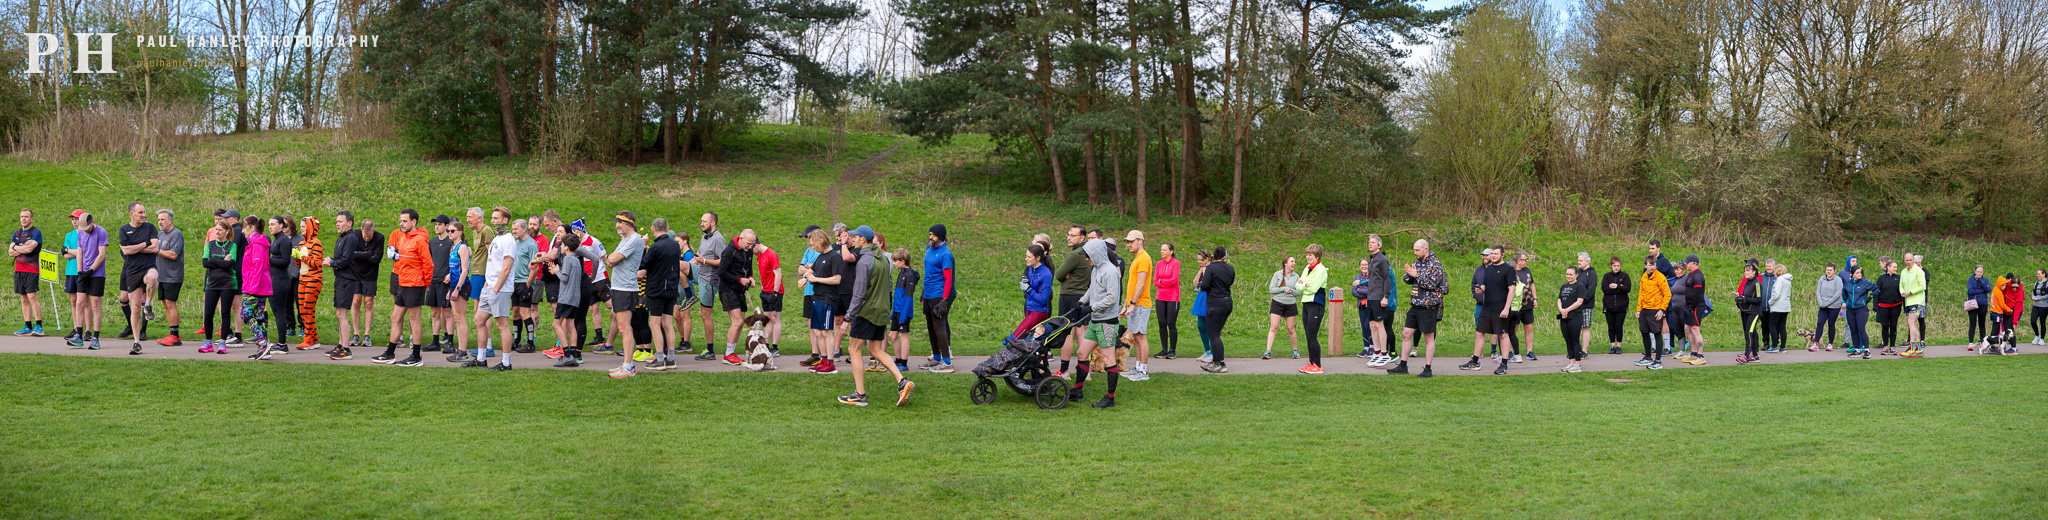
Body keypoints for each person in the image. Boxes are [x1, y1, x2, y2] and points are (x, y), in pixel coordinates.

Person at [838, 225, 915, 407]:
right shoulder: (883, 260)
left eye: (855, 237)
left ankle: (860, 395)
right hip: (881, 312)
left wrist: (847, 319)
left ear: (863, 240)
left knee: (854, 350)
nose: (852, 240)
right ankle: (902, 382)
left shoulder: (865, 262)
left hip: (866, 313)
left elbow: (858, 294)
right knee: (876, 351)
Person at [1070, 237, 1123, 407]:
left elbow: (1112, 298)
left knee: (1108, 359)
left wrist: (1091, 308)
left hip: (1107, 322)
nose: (1087, 258)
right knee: (1081, 354)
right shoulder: (1095, 270)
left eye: (1088, 255)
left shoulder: (1110, 271)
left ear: (1097, 254)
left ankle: (1110, 398)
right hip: (1095, 320)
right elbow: (1092, 290)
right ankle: (1077, 391)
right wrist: (1082, 302)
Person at [374, 209, 431, 365]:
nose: (401, 223)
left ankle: (416, 356)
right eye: (400, 220)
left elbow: (428, 264)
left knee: (414, 320)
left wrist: (426, 283)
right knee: (395, 317)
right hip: (403, 282)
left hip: (415, 284)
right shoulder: (404, 238)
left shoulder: (420, 240)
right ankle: (390, 353)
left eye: (404, 221)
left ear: (414, 222)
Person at [1388, 240, 1447, 377]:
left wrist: (1416, 275)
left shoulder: (1435, 264)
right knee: (1406, 334)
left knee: (1428, 337)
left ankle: (1428, 369)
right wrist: (1409, 274)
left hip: (1428, 306)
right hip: (1415, 304)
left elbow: (1431, 283)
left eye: (1417, 250)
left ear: (1425, 249)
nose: (1415, 253)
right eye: (1414, 250)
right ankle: (1403, 365)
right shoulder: (1418, 261)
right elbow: (1408, 280)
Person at [116, 202, 160, 354]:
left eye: (144, 212)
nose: (143, 215)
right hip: (132, 271)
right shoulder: (124, 230)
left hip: (148, 267)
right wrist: (144, 244)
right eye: (140, 212)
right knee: (134, 309)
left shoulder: (150, 227)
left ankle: (148, 303)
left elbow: (155, 247)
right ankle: (136, 342)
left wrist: (136, 247)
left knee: (154, 277)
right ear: (131, 214)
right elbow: (126, 251)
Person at [641, 218, 683, 370]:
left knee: (655, 323)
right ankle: (670, 358)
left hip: (656, 289)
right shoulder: (675, 245)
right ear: (667, 228)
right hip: (671, 288)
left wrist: (644, 246)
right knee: (668, 324)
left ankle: (659, 359)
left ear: (652, 230)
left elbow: (643, 263)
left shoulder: (655, 246)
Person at [1052, 225, 1092, 376]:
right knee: (1081, 332)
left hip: (1070, 296)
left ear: (1081, 238)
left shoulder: (1075, 254)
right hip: (1083, 296)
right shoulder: (1089, 253)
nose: (1068, 238)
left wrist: (1065, 275)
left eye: (1073, 235)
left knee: (1067, 333)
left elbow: (1058, 275)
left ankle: (1064, 371)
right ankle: (1085, 371)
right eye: (1068, 235)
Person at [918, 224, 957, 372]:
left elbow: (948, 279)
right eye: (930, 234)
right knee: (930, 326)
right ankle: (936, 358)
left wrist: (944, 300)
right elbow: (929, 271)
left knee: (939, 327)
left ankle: (947, 363)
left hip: (940, 294)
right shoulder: (929, 248)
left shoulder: (945, 254)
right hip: (928, 293)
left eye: (933, 235)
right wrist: (924, 289)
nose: (930, 237)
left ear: (940, 236)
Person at [687, 212, 727, 359]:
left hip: (709, 280)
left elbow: (723, 262)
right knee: (679, 266)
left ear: (713, 223)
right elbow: (698, 255)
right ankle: (689, 295)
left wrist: (704, 261)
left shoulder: (718, 239)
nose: (701, 224)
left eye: (704, 221)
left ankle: (710, 351)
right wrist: (690, 263)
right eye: (701, 221)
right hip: (700, 273)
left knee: (705, 315)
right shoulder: (705, 237)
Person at [716, 229, 759, 364]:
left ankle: (731, 352)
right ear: (741, 238)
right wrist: (740, 280)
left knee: (741, 323)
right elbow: (721, 271)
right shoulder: (729, 251)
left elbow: (749, 268)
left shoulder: (749, 251)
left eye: (752, 244)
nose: (750, 247)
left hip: (740, 290)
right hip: (728, 290)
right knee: (738, 321)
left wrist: (751, 278)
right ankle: (728, 354)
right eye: (748, 243)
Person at [69, 211, 109, 350]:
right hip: (83, 273)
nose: (85, 231)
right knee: (80, 303)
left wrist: (90, 271)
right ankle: (79, 336)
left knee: (95, 305)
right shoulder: (80, 232)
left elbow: (102, 255)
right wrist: (80, 272)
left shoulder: (101, 232)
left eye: (87, 228)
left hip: (96, 274)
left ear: (92, 222)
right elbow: (79, 252)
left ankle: (95, 338)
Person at [197, 223, 239, 355]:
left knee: (225, 313)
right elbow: (205, 263)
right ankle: (208, 342)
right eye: (216, 230)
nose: (217, 232)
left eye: (220, 230)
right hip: (212, 283)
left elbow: (230, 264)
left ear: (227, 231)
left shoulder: (232, 246)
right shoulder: (210, 245)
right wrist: (221, 261)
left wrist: (214, 260)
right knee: (208, 313)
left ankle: (222, 342)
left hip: (228, 284)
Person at [236, 216, 274, 358]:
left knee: (245, 314)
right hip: (260, 286)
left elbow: (258, 266)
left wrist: (252, 287)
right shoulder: (256, 242)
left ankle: (263, 343)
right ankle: (265, 349)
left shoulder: (257, 243)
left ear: (251, 228)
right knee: (259, 316)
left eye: (244, 228)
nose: (242, 232)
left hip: (255, 287)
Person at [1119, 230, 1155, 379]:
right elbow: (1132, 285)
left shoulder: (1144, 258)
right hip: (1134, 304)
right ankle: (1138, 367)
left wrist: (1133, 303)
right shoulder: (1137, 258)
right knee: (1136, 336)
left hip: (1141, 304)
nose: (1129, 244)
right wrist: (1126, 305)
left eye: (1131, 241)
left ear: (1140, 241)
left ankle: (1143, 372)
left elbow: (1140, 284)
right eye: (1127, 242)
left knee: (1141, 337)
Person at [1197, 247, 1236, 373]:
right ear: (1224, 256)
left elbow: (1205, 286)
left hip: (1215, 304)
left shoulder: (1211, 268)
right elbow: (1230, 282)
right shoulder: (1230, 268)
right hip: (1227, 302)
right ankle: (1215, 361)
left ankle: (1220, 363)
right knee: (1215, 335)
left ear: (1214, 256)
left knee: (1213, 335)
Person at [1294, 244, 1330, 374]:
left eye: (1311, 255)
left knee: (1312, 336)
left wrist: (1303, 285)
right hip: (1306, 304)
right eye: (1307, 254)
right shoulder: (1307, 268)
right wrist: (1304, 285)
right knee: (1308, 336)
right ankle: (1311, 362)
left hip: (1316, 304)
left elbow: (1313, 288)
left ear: (1317, 256)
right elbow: (1297, 286)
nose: (1307, 256)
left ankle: (1318, 366)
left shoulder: (1321, 270)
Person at [424, 215, 455, 353]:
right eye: (435, 224)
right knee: (435, 313)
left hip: (445, 282)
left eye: (440, 224)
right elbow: (429, 262)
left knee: (447, 313)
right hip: (433, 281)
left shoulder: (451, 242)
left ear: (447, 226)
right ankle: (435, 342)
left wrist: (450, 275)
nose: (437, 227)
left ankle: (450, 342)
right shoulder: (432, 242)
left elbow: (458, 262)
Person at [11, 209, 44, 337]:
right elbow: (10, 252)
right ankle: (27, 326)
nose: (23, 219)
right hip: (19, 270)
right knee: (23, 298)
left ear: (32, 219)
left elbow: (31, 248)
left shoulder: (36, 232)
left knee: (32, 297)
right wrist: (23, 249)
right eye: (22, 217)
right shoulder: (17, 233)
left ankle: (39, 326)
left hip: (32, 270)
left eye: (26, 217)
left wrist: (17, 248)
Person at [293, 216, 324, 350]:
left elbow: (317, 263)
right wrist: (296, 258)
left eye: (304, 226)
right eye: (301, 226)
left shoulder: (316, 243)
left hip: (314, 279)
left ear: (310, 227)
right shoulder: (301, 244)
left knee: (308, 309)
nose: (301, 228)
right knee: (302, 310)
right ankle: (314, 339)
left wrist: (302, 257)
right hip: (303, 279)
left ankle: (308, 340)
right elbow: (301, 265)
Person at [1634, 255, 1669, 369]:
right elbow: (1641, 293)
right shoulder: (1644, 276)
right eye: (1650, 265)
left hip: (1655, 309)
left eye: (1654, 265)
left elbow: (1667, 294)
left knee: (1657, 333)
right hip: (1644, 309)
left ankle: (1658, 361)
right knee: (1644, 333)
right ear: (1645, 265)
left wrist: (1661, 310)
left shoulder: (1660, 277)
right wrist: (1639, 309)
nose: (1652, 267)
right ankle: (1648, 357)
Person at [1362, 235, 1393, 365]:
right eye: (1369, 242)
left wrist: (1385, 296)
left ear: (1379, 245)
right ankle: (1377, 352)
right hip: (1371, 297)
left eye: (1373, 242)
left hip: (1380, 297)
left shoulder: (1382, 260)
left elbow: (1387, 279)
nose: (1370, 244)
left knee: (1379, 324)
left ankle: (1385, 354)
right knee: (1372, 325)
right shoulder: (1371, 259)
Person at [888, 248, 920, 372]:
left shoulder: (910, 275)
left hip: (904, 312)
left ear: (903, 261)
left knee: (904, 336)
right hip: (897, 311)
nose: (893, 264)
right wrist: (893, 314)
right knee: (892, 335)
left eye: (895, 261)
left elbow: (908, 298)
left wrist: (903, 316)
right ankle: (898, 360)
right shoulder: (901, 273)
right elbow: (897, 296)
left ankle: (904, 364)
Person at [1263, 256, 1300, 360]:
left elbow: (1300, 292)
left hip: (1291, 304)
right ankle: (1267, 352)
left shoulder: (1296, 276)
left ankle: (1295, 351)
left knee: (1290, 329)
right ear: (1285, 263)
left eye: (1294, 262)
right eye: (1292, 261)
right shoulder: (1277, 274)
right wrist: (1284, 289)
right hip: (1277, 303)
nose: (1294, 263)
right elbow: (1271, 289)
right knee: (1273, 327)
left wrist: (1292, 291)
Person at [754, 237, 784, 357]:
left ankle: (775, 348)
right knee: (767, 318)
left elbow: (778, 274)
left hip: (775, 291)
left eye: (751, 248)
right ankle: (766, 345)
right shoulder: (759, 255)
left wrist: (775, 292)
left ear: (756, 245)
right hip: (765, 291)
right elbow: (764, 273)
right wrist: (763, 288)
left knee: (775, 318)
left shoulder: (771, 254)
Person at [1151, 242, 1181, 360]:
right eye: (1161, 249)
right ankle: (1164, 350)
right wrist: (1163, 281)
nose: (1162, 251)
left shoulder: (1176, 263)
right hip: (1160, 297)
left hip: (1172, 298)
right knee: (1162, 323)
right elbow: (1155, 281)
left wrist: (1162, 281)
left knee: (1171, 323)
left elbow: (1174, 280)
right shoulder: (1159, 263)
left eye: (1164, 250)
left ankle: (1172, 351)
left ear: (1171, 251)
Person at [1676, 255, 1708, 364]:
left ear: (1694, 263)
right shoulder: (1691, 274)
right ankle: (1693, 353)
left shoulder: (1698, 276)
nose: (1686, 264)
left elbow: (1698, 294)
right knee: (1687, 328)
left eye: (1688, 262)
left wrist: (1692, 307)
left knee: (1695, 330)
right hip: (1688, 306)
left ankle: (1700, 355)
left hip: (1696, 307)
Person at [1558, 266, 1588, 372]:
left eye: (1571, 274)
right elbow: (1559, 299)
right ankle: (1571, 363)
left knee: (1575, 340)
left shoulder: (1580, 286)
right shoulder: (1564, 286)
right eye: (1567, 274)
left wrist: (1567, 310)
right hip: (1564, 317)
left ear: (1576, 275)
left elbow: (1579, 301)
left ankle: (1577, 365)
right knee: (1568, 340)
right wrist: (1561, 310)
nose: (1568, 276)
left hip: (1575, 317)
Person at [1734, 260, 1765, 364]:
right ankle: (1755, 356)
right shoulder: (1747, 282)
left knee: (1749, 332)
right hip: (1747, 311)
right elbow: (1745, 297)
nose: (1745, 273)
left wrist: (1745, 299)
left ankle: (1747, 356)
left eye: (1748, 271)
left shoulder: (1757, 283)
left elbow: (1759, 299)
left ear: (1754, 272)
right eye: (1745, 271)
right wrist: (1739, 300)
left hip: (1755, 312)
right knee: (1749, 332)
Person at [1843, 266, 1876, 358]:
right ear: (1852, 275)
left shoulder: (1865, 283)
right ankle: (1857, 350)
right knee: (1853, 330)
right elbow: (1844, 292)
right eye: (1857, 273)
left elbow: (1876, 288)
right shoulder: (1848, 283)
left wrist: (1870, 297)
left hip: (1861, 309)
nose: (1859, 274)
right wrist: (1847, 301)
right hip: (1850, 309)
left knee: (1861, 329)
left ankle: (1867, 351)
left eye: (1860, 272)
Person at [1600, 256, 1631, 355]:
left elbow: (1627, 288)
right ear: (1611, 266)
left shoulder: (1625, 276)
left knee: (1619, 326)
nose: (1616, 268)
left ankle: (1619, 346)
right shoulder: (1606, 276)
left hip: (1621, 307)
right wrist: (1619, 289)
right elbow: (1605, 289)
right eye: (1614, 266)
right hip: (1609, 307)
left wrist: (1617, 286)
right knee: (1611, 326)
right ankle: (1612, 345)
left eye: (1618, 266)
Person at [1874, 257, 1904, 355]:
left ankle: (1893, 346)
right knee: (1885, 326)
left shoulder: (1899, 278)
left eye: (1896, 267)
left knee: (1894, 326)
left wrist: (1904, 305)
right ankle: (1885, 346)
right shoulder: (1882, 278)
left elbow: (1902, 291)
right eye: (1894, 267)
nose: (1895, 269)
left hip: (1896, 305)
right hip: (1883, 306)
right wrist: (1875, 305)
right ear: (1888, 267)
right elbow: (1876, 291)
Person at [1900, 254, 1928, 356]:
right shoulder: (1903, 271)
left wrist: (1911, 292)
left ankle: (1911, 347)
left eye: (1910, 260)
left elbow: (1923, 286)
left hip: (1917, 300)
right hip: (1908, 301)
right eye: (1906, 260)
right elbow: (1901, 285)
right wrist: (1902, 292)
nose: (1908, 262)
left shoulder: (1919, 271)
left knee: (1911, 322)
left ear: (1913, 260)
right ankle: (1918, 348)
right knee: (1911, 323)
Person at [1812, 263, 1843, 351]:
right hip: (1823, 306)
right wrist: (1821, 303)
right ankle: (1815, 344)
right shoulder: (1822, 278)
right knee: (1820, 323)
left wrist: (1827, 303)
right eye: (1827, 270)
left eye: (1830, 270)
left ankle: (1830, 344)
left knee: (1831, 324)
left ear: (1834, 271)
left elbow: (1837, 294)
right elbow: (1818, 291)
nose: (1828, 272)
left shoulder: (1838, 280)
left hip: (1834, 306)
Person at [1513, 251, 1537, 361]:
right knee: (1513, 328)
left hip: (1528, 305)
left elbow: (1532, 284)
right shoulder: (1511, 271)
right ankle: (1510, 351)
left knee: (1529, 328)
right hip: (1516, 306)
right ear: (1518, 261)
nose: (1526, 261)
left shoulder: (1527, 270)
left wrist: (1535, 298)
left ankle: (1529, 351)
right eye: (1524, 259)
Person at [1191, 251, 1212, 363]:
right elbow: (1195, 283)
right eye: (1198, 259)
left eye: (1201, 260)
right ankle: (1207, 350)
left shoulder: (1211, 269)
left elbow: (1206, 284)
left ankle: (1212, 352)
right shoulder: (1202, 269)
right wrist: (1200, 271)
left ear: (1207, 259)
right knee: (1201, 325)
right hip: (1201, 297)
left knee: (1209, 327)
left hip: (1209, 298)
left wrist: (1206, 271)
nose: (1199, 262)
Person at [1767, 263, 1792, 353]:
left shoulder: (1779, 280)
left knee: (1772, 325)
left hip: (1777, 306)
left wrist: (1770, 302)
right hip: (1785, 306)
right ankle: (1783, 347)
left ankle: (1774, 346)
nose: (1773, 273)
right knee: (1782, 326)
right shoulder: (1788, 280)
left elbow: (1776, 294)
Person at [1966, 265, 1991, 350]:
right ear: (1975, 271)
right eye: (1978, 272)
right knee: (1972, 323)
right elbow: (1970, 291)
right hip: (1973, 303)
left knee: (1982, 323)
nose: (1979, 273)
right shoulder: (1971, 279)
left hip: (1983, 304)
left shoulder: (1985, 280)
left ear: (1983, 272)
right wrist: (1981, 290)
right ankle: (1970, 343)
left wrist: (1981, 282)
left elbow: (1988, 290)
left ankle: (1982, 342)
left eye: (1981, 272)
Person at [2032, 269, 2048, 346]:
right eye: (2037, 274)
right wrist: (2033, 297)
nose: (2038, 275)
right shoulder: (2036, 283)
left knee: (2042, 322)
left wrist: (2039, 298)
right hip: (2035, 305)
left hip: (2044, 306)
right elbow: (2033, 292)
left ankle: (2042, 339)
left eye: (2039, 274)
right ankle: (2037, 335)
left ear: (2044, 274)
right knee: (2033, 321)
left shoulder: (2047, 283)